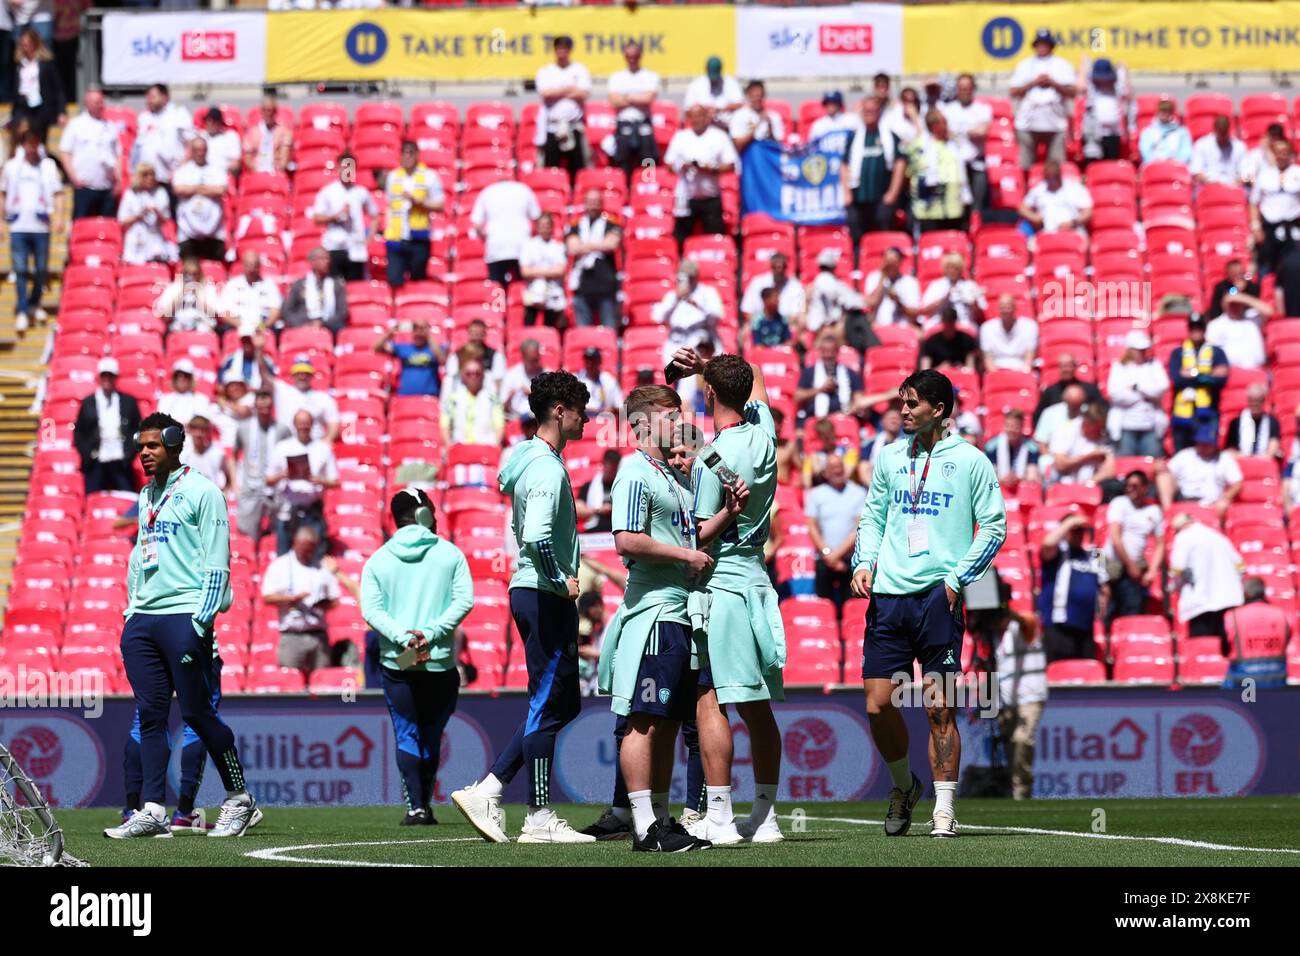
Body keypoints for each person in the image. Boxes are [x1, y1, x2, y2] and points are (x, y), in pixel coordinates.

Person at [849, 368, 1007, 838]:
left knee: (940, 707)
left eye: (912, 403)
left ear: (938, 410)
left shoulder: (973, 460)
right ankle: (904, 786)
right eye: (901, 401)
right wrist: (864, 561)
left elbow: (994, 527)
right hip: (888, 597)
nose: (903, 410)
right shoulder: (890, 457)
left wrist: (958, 580)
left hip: (938, 598)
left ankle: (944, 808)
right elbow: (874, 516)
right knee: (878, 706)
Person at [452, 371, 593, 844]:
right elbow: (535, 536)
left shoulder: (529, 459)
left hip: (533, 592)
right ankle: (536, 815)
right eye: (579, 409)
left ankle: (490, 788)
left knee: (561, 700)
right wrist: (561, 578)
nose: (586, 418)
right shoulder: (547, 467)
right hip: (544, 591)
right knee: (547, 700)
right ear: (559, 410)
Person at [103, 413, 257, 839]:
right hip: (144, 619)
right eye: (141, 447)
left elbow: (217, 564)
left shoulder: (203, 492)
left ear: (174, 444)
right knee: (150, 715)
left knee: (196, 712)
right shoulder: (145, 496)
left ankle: (240, 799)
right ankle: (153, 810)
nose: (145, 454)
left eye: (153, 445)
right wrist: (131, 612)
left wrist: (201, 621)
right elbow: (140, 556)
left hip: (185, 615)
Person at [597, 385, 722, 852]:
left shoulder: (667, 472)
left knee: (667, 720)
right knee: (644, 720)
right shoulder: (633, 473)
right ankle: (644, 826)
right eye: (676, 413)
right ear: (649, 420)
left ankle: (662, 819)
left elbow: (688, 535)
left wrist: (729, 510)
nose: (684, 419)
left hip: (679, 611)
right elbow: (627, 540)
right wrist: (685, 556)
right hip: (653, 613)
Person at [670, 349, 787, 846]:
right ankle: (765, 817)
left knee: (709, 696)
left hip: (722, 582)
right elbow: (755, 378)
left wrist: (700, 372)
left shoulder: (712, 457)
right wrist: (709, 370)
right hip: (758, 579)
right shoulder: (765, 434)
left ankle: (718, 814)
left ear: (709, 394)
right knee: (757, 705)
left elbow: (700, 535)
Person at [362, 488, 473, 826]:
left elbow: (371, 610)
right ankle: (423, 804)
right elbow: (464, 601)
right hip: (439, 661)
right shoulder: (450, 554)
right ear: (424, 515)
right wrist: (432, 633)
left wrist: (403, 636)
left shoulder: (378, 560)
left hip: (399, 662)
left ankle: (417, 807)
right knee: (430, 734)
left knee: (407, 732)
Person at [262, 525, 340, 679]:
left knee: (323, 685)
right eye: (304, 548)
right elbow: (267, 597)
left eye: (311, 549)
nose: (307, 553)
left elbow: (335, 600)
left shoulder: (321, 566)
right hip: (291, 636)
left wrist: (322, 604)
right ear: (295, 543)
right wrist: (292, 599)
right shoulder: (280, 565)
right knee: (289, 685)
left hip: (318, 635)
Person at [2, 126, 60, 330]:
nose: (32, 148)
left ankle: (34, 302)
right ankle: (23, 308)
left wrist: (58, 216)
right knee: (20, 269)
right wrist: (2, 221)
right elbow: (3, 193)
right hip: (18, 225)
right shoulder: (11, 167)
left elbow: (57, 192)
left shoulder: (48, 166)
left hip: (40, 225)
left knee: (41, 268)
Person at [265, 409, 338, 555]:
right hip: (288, 511)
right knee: (284, 556)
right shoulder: (282, 447)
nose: (303, 427)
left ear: (312, 424)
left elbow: (335, 482)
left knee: (315, 558)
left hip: (312, 511)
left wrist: (319, 480)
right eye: (300, 423)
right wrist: (282, 475)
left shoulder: (323, 448)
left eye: (306, 423)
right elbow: (268, 480)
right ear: (294, 424)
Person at [994, 597, 1046, 801]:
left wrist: (1006, 610)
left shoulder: (1021, 626)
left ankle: (1022, 790)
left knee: (1022, 739)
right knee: (1009, 745)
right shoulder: (991, 637)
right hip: (1005, 700)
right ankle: (1013, 787)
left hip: (1030, 696)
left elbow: (1028, 621)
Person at [665, 103, 737, 247]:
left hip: (710, 197)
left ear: (706, 117)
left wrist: (711, 169)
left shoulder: (719, 136)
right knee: (681, 239)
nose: (696, 120)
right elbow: (668, 164)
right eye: (693, 116)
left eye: (699, 116)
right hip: (686, 197)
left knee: (714, 238)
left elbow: (731, 165)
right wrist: (682, 165)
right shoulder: (681, 137)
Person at [1169, 512, 1244, 646]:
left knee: (1203, 650)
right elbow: (1240, 566)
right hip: (1228, 600)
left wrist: (1175, 586)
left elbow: (1177, 569)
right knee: (1225, 649)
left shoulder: (1183, 537)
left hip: (1201, 602)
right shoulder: (1217, 536)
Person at [1037, 512, 1102, 662]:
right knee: (1058, 675)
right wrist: (1070, 522)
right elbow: (1048, 543)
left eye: (1081, 530)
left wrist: (1103, 602)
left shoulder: (1096, 554)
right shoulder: (1058, 552)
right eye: (1074, 530)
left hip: (1086, 626)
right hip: (1059, 625)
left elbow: (1104, 584)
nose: (1078, 534)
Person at [806, 454, 867, 614]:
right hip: (824, 560)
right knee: (824, 608)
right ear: (825, 472)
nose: (838, 470)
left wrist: (837, 555)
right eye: (833, 467)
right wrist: (828, 554)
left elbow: (860, 527)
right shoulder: (815, 494)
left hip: (850, 560)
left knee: (852, 608)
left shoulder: (858, 492)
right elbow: (812, 526)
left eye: (840, 466)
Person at [1009, 28, 1077, 170]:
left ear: (1051, 46)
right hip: (1027, 122)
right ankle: (1026, 190)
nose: (1042, 47)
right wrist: (1033, 83)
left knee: (1056, 166)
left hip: (1055, 122)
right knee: (1026, 166)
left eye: (1045, 44)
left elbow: (1073, 91)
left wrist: (1053, 83)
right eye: (1039, 44)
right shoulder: (1025, 65)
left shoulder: (1062, 65)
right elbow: (1013, 91)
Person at [842, 96, 903, 251]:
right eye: (866, 111)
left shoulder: (889, 136)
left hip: (882, 198)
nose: (869, 114)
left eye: (873, 111)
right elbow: (844, 164)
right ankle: (858, 266)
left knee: (883, 233)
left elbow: (900, 163)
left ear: (879, 112)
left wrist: (892, 193)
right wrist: (846, 193)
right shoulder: (854, 137)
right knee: (856, 235)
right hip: (858, 198)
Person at [74, 357, 140, 494]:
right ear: (99, 377)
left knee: (127, 499)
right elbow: (79, 433)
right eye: (104, 375)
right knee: (94, 500)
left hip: (121, 461)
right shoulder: (88, 402)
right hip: (96, 462)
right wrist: (89, 455)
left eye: (111, 375)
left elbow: (138, 430)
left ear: (116, 377)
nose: (107, 379)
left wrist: (129, 454)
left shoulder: (128, 402)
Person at [385, 140, 445, 289]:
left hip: (418, 236)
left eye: (411, 153)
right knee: (394, 279)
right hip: (396, 236)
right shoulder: (392, 177)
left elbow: (440, 205)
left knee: (417, 280)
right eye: (404, 153)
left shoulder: (429, 176)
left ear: (417, 155)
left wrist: (419, 202)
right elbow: (389, 206)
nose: (407, 157)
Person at [1105, 471, 1163, 622]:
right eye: (1128, 485)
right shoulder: (1119, 503)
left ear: (1145, 488)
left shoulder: (1153, 510)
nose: (1130, 489)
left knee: (1132, 612)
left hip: (1134, 570)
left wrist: (1151, 571)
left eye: (1135, 486)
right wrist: (1130, 565)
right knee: (1107, 610)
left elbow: (1160, 544)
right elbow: (1115, 537)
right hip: (1112, 564)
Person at [311, 153, 378, 281]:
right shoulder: (328, 191)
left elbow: (375, 215)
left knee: (355, 286)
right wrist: (335, 216)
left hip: (355, 247)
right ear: (337, 168)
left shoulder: (361, 192)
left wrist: (370, 237)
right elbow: (317, 218)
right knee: (335, 286)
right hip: (334, 246)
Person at [233, 387, 288, 543]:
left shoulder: (282, 429)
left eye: (268, 408)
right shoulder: (243, 427)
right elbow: (233, 455)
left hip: (274, 489)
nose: (264, 411)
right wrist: (233, 482)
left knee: (276, 535)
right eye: (261, 407)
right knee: (247, 536)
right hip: (251, 487)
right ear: (255, 407)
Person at [534, 35, 590, 184]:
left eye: (565, 48)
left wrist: (557, 92)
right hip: (553, 128)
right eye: (559, 48)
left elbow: (583, 93)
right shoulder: (546, 71)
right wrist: (569, 89)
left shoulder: (579, 69)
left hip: (573, 126)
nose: (562, 51)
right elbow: (545, 93)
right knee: (551, 168)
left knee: (577, 168)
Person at [1168, 314, 1229, 451]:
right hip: (1182, 414)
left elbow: (1221, 379)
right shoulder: (1178, 353)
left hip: (1208, 412)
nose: (1196, 331)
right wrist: (1207, 375)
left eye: (1199, 327)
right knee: (1182, 455)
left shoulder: (1216, 352)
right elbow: (1177, 379)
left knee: (1207, 454)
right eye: (1192, 327)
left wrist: (1192, 374)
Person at [902, 110, 969, 232]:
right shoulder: (920, 146)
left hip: (953, 207)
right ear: (934, 126)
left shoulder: (954, 144)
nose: (947, 126)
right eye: (944, 123)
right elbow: (913, 171)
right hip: (929, 208)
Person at [1157, 424, 1243, 519]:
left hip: (1212, 502)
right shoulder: (1185, 455)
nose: (1204, 446)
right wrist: (1158, 467)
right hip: (1185, 499)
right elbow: (1167, 472)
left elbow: (1238, 483)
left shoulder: (1224, 458)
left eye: (1207, 443)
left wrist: (1226, 497)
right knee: (1163, 476)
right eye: (1201, 442)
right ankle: (1168, 515)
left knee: (1223, 505)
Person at [1106, 329, 1169, 457]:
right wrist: (1146, 396)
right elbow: (1115, 394)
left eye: (1144, 349)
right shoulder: (1119, 367)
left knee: (1151, 466)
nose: (1142, 352)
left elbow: (1162, 388)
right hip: (1126, 427)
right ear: (1130, 350)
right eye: (1138, 349)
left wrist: (1136, 388)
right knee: (1126, 466)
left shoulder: (1154, 365)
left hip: (1150, 426)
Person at [565, 187, 622, 328]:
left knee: (608, 330)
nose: (593, 205)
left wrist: (585, 245)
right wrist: (598, 245)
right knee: (583, 332)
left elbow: (611, 244)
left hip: (606, 285)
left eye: (596, 202)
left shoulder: (611, 222)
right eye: (590, 201)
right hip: (582, 285)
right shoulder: (576, 224)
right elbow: (572, 247)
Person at [470, 176, 540, 289]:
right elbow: (537, 218)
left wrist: (486, 237)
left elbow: (477, 224)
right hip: (521, 246)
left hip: (496, 247)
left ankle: (502, 306)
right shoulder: (524, 189)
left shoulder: (487, 192)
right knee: (521, 288)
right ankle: (517, 307)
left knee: (498, 290)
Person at [59, 86, 118, 219]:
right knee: (82, 228)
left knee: (106, 230)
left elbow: (117, 155)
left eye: (102, 101)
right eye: (97, 102)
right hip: (85, 188)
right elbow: (65, 152)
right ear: (87, 103)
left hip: (106, 188)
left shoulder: (110, 126)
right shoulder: (76, 125)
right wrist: (73, 178)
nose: (101, 105)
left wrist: (117, 180)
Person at [1250, 138, 1300, 290]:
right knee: (1265, 268)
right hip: (1269, 230)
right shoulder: (1265, 175)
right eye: (1278, 152)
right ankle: (1265, 296)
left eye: (1285, 152)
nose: (1282, 156)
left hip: (1293, 229)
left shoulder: (1297, 172)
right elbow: (1253, 202)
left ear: (1290, 154)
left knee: (1294, 266)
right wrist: (1256, 226)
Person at [1222, 577, 1290, 688]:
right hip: (1276, 683)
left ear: (1246, 594)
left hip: (1244, 685)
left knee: (1246, 701)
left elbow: (1225, 650)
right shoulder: (1282, 615)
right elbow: (1286, 641)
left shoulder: (1232, 616)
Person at [607, 40, 660, 178]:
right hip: (624, 123)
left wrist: (625, 96)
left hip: (643, 123)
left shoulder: (649, 75)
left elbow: (648, 99)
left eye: (635, 56)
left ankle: (648, 186)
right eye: (629, 56)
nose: (632, 59)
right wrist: (638, 98)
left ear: (640, 56)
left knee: (648, 159)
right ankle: (625, 187)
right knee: (622, 158)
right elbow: (614, 101)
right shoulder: (616, 77)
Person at [940, 74, 992, 211]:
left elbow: (982, 131)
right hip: (954, 165)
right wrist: (969, 130)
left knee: (978, 205)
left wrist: (959, 132)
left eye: (967, 88)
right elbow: (945, 133)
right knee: (956, 205)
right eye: (961, 88)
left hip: (976, 163)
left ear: (973, 89)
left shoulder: (982, 109)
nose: (964, 91)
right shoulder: (948, 110)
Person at [172, 137, 228, 262]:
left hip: (213, 232)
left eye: (203, 150)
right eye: (197, 150)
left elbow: (220, 190)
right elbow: (179, 189)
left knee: (214, 273)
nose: (200, 153)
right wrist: (206, 189)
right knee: (188, 275)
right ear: (191, 151)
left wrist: (192, 189)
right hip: (188, 232)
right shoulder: (183, 171)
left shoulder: (216, 170)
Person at [651, 260, 724, 355]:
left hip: (702, 343)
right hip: (676, 343)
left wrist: (698, 305)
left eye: (690, 277)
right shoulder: (672, 296)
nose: (688, 280)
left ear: (696, 277)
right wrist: (677, 298)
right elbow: (658, 318)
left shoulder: (708, 292)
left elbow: (716, 317)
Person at [131, 83, 190, 197]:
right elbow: (138, 147)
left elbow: (191, 144)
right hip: (147, 179)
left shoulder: (179, 114)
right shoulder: (144, 117)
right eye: (147, 97)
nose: (149, 101)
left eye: (152, 97)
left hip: (169, 177)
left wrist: (181, 170)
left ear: (164, 97)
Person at [8, 27, 62, 147]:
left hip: (40, 109)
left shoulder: (46, 63)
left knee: (39, 143)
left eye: (29, 45)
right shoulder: (19, 65)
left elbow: (57, 88)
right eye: (23, 45)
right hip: (22, 107)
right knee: (18, 140)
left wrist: (61, 111)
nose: (26, 48)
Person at [796, 330, 865, 422]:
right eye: (825, 352)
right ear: (820, 352)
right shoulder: (809, 372)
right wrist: (820, 389)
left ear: (837, 352)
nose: (828, 355)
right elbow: (797, 397)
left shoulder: (849, 373)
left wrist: (846, 413)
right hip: (816, 421)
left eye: (831, 352)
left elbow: (859, 400)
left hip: (843, 419)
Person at [282, 246, 349, 334]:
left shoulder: (336, 285)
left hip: (329, 326)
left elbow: (342, 312)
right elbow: (287, 312)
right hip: (303, 325)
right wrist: (302, 325)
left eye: (328, 258)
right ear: (312, 262)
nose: (327, 261)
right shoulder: (299, 285)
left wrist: (323, 324)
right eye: (322, 258)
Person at [440, 358, 505, 447]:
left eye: (477, 373)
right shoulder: (452, 399)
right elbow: (445, 425)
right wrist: (449, 447)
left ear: (483, 375)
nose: (473, 377)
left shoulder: (493, 399)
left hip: (486, 447)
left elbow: (499, 425)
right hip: (459, 447)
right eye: (468, 374)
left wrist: (496, 446)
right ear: (462, 376)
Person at [519, 211, 568, 328]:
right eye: (541, 226)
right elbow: (525, 272)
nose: (544, 229)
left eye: (547, 226)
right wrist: (549, 272)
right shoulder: (529, 245)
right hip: (532, 291)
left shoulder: (558, 246)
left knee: (550, 327)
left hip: (553, 292)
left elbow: (560, 271)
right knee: (529, 325)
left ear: (552, 227)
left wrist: (536, 271)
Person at [1018, 159, 1092, 235]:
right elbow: (1022, 208)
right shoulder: (1039, 189)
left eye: (1054, 177)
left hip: (1073, 230)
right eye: (1048, 177)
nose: (1051, 180)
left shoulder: (1075, 188)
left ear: (1059, 175)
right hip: (1046, 232)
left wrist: (1073, 222)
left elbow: (1088, 212)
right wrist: (1034, 217)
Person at [118, 163, 173, 265]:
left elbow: (166, 220)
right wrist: (139, 216)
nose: (150, 178)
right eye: (146, 175)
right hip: (136, 237)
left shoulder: (160, 192)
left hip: (154, 237)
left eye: (152, 175)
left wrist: (157, 212)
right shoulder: (131, 194)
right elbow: (122, 221)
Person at [804, 247, 866, 336]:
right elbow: (857, 303)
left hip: (825, 327)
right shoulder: (835, 285)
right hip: (822, 328)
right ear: (834, 267)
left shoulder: (812, 286)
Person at [1077, 57, 1128, 165]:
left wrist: (1124, 70)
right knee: (1093, 165)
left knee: (1111, 165)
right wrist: (1083, 67)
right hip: (1093, 136)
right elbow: (1080, 87)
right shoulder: (1092, 90)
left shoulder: (1116, 89)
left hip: (1112, 135)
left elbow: (1127, 91)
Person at [1049, 402, 1115, 485]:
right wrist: (1089, 456)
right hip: (1063, 480)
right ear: (1086, 424)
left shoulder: (1105, 436)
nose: (1100, 432)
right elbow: (1060, 465)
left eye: (1101, 428)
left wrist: (1087, 484)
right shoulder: (1066, 430)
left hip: (1092, 485)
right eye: (1097, 428)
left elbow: (1110, 471)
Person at [376, 319, 442, 397]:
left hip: (429, 396)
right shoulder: (404, 348)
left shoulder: (434, 348)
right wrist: (389, 334)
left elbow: (442, 359)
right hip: (405, 397)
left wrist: (428, 336)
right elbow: (377, 348)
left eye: (422, 329)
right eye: (415, 329)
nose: (418, 333)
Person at [222, 249, 282, 333]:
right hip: (237, 327)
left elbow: (275, 312)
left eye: (255, 265)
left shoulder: (269, 285)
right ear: (243, 265)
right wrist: (243, 326)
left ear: (259, 266)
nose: (251, 269)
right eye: (248, 265)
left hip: (262, 328)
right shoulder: (232, 285)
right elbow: (224, 313)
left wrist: (261, 327)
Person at [1034, 353, 1104, 424]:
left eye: (1068, 366)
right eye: (1063, 366)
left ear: (1075, 367)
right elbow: (1038, 418)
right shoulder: (1049, 393)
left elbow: (1101, 411)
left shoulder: (1090, 390)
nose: (1066, 370)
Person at [740, 252, 805, 330]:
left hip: (786, 327)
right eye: (775, 267)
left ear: (786, 267)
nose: (779, 270)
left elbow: (797, 314)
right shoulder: (757, 282)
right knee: (746, 330)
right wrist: (762, 325)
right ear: (771, 266)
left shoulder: (796, 286)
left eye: (781, 267)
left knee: (798, 327)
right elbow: (747, 310)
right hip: (760, 325)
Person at [1206, 292, 1270, 370]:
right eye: (1232, 304)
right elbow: (1209, 351)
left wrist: (1242, 298)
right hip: (1233, 373)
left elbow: (1269, 311)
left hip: (1258, 370)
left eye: (1238, 303)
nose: (1235, 307)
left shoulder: (1252, 318)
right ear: (1224, 305)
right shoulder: (1216, 324)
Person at [921, 252, 985, 329]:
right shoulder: (936, 285)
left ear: (960, 269)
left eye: (955, 267)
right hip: (939, 324)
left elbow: (981, 315)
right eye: (949, 267)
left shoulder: (970, 285)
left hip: (964, 325)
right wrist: (943, 300)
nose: (952, 270)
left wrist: (974, 304)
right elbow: (924, 311)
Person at [863, 246, 921, 328]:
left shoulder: (910, 281)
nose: (891, 265)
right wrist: (883, 277)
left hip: (903, 327)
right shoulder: (873, 277)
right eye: (888, 261)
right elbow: (871, 303)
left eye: (893, 261)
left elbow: (914, 313)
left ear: (900, 261)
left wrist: (898, 301)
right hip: (878, 326)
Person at [984, 409, 1041, 488]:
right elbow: (990, 475)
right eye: (1009, 426)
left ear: (1021, 427)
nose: (1012, 430)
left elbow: (1032, 475)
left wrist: (1018, 478)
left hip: (1022, 486)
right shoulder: (992, 447)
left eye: (1015, 427)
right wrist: (1003, 479)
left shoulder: (1031, 447)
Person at [980, 294, 1038, 371]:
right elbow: (988, 358)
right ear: (998, 308)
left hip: (1021, 369)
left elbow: (1029, 356)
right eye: (1002, 306)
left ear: (1015, 307)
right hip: (997, 370)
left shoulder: (1030, 326)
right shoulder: (987, 328)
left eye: (1008, 306)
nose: (1005, 309)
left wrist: (1025, 375)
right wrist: (997, 377)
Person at [685, 55, 742, 130]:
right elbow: (687, 110)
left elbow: (740, 104)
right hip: (702, 128)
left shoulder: (731, 83)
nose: (713, 80)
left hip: (726, 127)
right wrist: (704, 111)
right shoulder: (696, 85)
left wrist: (720, 109)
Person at [1226, 383, 1281, 459]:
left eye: (1258, 401)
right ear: (1248, 400)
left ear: (1263, 401)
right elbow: (1230, 450)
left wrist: (1257, 459)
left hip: (1263, 463)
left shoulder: (1272, 422)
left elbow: (1273, 448)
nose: (1255, 404)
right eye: (1252, 401)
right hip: (1241, 462)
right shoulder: (1235, 423)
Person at [241, 93, 292, 175]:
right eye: (265, 110)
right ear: (261, 111)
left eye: (270, 110)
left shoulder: (284, 132)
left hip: (276, 171)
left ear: (275, 112)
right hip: (257, 171)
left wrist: (276, 172)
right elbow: (247, 158)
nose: (268, 113)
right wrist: (257, 171)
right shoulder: (252, 132)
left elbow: (284, 159)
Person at [729, 79, 784, 153]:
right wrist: (756, 127)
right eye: (754, 96)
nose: (757, 99)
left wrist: (770, 128)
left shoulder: (773, 116)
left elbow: (779, 146)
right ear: (748, 95)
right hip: (749, 156)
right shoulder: (739, 116)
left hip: (767, 155)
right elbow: (737, 145)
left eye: (759, 96)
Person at [179, 416, 232, 491]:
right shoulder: (183, 453)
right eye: (195, 429)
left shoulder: (217, 453)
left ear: (208, 432)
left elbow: (229, 478)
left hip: (211, 497)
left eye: (202, 430)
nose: (199, 434)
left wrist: (223, 494)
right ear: (190, 430)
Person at [157, 360, 217, 427]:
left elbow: (201, 423)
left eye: (185, 375)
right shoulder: (165, 399)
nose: (181, 378)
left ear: (191, 378)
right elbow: (161, 422)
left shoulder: (200, 399)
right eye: (178, 375)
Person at [1191, 115, 1247, 187]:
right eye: (1220, 132)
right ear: (1215, 129)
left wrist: (1235, 184)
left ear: (1228, 130)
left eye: (1224, 132)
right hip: (1209, 186)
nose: (1222, 136)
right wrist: (1212, 185)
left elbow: (1246, 173)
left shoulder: (1239, 146)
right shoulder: (1201, 144)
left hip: (1232, 188)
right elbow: (1196, 172)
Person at [920, 305, 979, 371]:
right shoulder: (931, 342)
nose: (948, 326)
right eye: (946, 322)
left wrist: (959, 369)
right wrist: (939, 369)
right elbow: (925, 369)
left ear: (955, 322)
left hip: (960, 377)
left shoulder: (967, 340)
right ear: (942, 322)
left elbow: (971, 368)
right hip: (937, 378)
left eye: (951, 322)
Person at [1138, 96, 1193, 166]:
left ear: (1172, 112)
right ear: (1157, 111)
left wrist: (1174, 162)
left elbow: (1186, 152)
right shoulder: (1147, 132)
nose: (1165, 113)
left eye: (1168, 110)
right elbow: (1146, 153)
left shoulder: (1182, 132)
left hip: (1175, 167)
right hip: (1154, 167)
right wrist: (1159, 163)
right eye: (1162, 110)